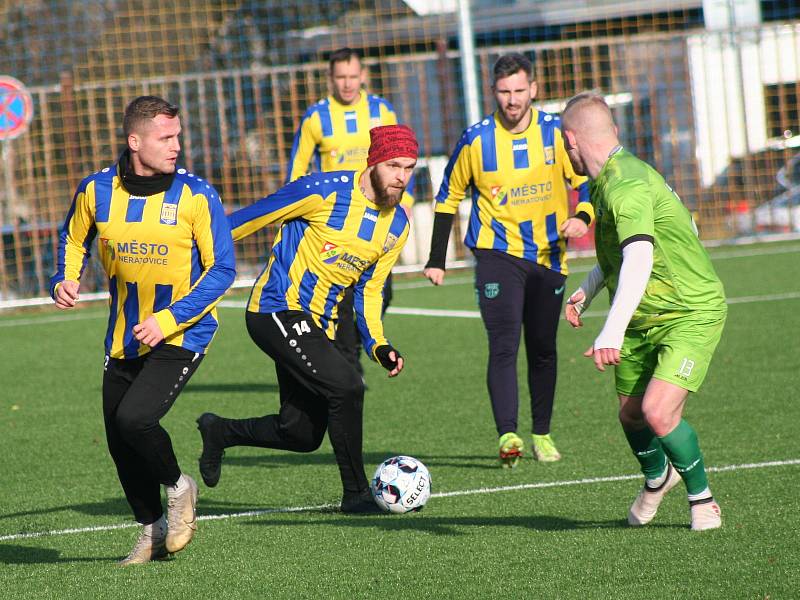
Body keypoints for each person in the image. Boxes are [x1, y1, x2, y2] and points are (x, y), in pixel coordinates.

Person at [50, 96, 236, 564]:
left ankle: (179, 488)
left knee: (136, 419)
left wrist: (169, 318)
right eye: (165, 138)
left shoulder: (196, 194)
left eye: (178, 136)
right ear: (135, 141)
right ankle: (152, 531)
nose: (177, 146)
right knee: (118, 437)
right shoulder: (96, 191)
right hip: (124, 336)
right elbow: (74, 237)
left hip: (183, 332)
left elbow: (222, 271)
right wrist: (65, 277)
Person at [196, 124, 417, 514]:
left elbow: (368, 290)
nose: (402, 177)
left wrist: (378, 344)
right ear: (374, 161)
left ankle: (220, 431)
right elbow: (250, 220)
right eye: (395, 165)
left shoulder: (397, 226)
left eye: (410, 168)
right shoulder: (322, 190)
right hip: (276, 309)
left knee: (300, 434)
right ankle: (356, 495)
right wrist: (191, 261)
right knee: (348, 385)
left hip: (321, 327)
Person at [560, 92, 726, 531]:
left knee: (657, 412)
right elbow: (629, 247)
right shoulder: (612, 178)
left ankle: (703, 499)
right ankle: (658, 477)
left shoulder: (626, 184)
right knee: (630, 415)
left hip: (688, 311)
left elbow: (638, 258)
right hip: (642, 316)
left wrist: (609, 330)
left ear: (570, 139)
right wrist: (589, 289)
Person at [423, 52, 591, 467]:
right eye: (504, 92)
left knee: (543, 348)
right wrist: (436, 258)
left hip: (549, 254)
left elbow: (586, 177)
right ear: (493, 92)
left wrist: (582, 216)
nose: (512, 100)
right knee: (502, 344)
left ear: (533, 89)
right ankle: (508, 435)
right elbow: (447, 198)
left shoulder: (556, 132)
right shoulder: (476, 139)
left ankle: (543, 433)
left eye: (519, 90)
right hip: (497, 254)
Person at [287, 47, 413, 380]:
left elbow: (400, 154)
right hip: (336, 224)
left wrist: (407, 199)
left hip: (379, 218)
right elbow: (297, 168)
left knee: (381, 292)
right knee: (340, 299)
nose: (347, 83)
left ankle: (353, 345)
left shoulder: (381, 110)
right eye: (340, 77)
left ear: (363, 76)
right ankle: (346, 368)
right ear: (330, 78)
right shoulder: (316, 117)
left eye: (352, 76)